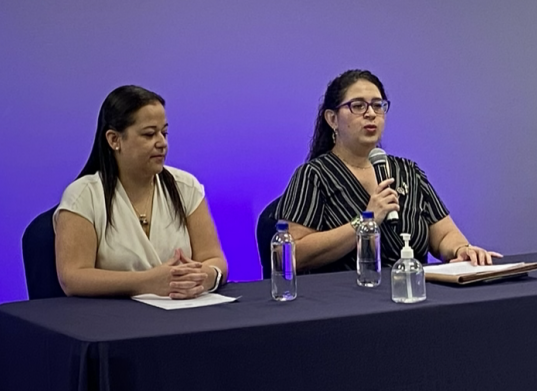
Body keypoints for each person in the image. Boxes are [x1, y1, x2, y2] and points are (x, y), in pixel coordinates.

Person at [275, 69, 501, 273]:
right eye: (358, 106)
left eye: (378, 105)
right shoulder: (314, 175)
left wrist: (461, 249)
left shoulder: (408, 172)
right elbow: (294, 254)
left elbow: (444, 235)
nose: (371, 114)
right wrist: (365, 222)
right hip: (345, 297)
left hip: (413, 290)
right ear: (332, 119)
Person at [54, 85, 227, 299]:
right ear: (114, 140)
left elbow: (214, 259)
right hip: (112, 316)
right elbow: (73, 277)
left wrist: (206, 276)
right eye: (149, 134)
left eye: (164, 133)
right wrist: (148, 282)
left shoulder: (185, 186)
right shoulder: (83, 196)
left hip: (183, 310)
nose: (162, 143)